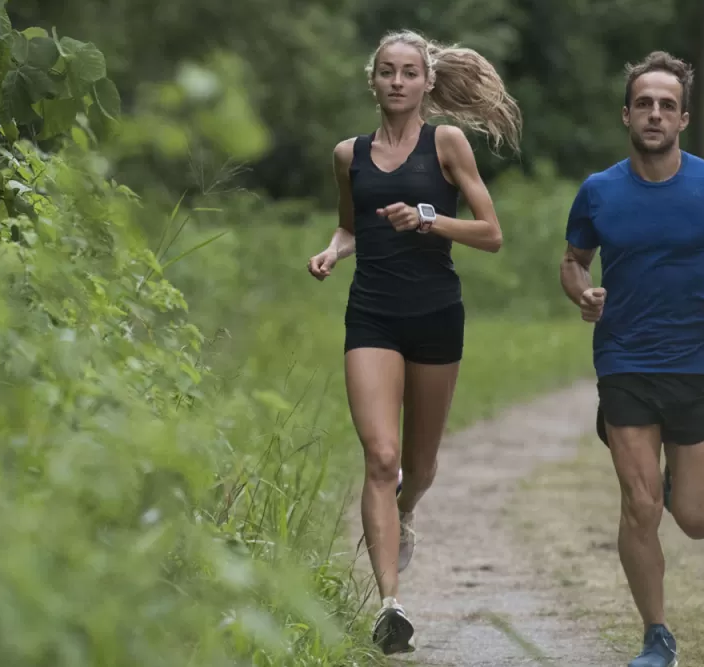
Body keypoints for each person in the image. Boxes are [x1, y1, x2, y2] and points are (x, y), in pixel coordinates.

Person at [306, 29, 521, 656]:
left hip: (434, 316)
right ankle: (390, 606)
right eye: (386, 72)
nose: (397, 82)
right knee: (380, 455)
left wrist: (428, 219)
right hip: (371, 314)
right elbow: (350, 226)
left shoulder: (446, 143)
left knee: (419, 468)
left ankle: (404, 513)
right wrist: (332, 250)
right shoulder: (349, 154)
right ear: (372, 81)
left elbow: (490, 233)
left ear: (427, 83)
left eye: (408, 73)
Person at [558, 51, 704, 667]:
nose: (654, 113)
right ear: (626, 115)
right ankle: (656, 636)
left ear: (683, 119)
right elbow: (572, 260)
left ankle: (678, 481)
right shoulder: (598, 192)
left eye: (666, 105)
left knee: (697, 518)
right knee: (639, 505)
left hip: (699, 362)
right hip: (625, 362)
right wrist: (583, 292)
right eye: (643, 103)